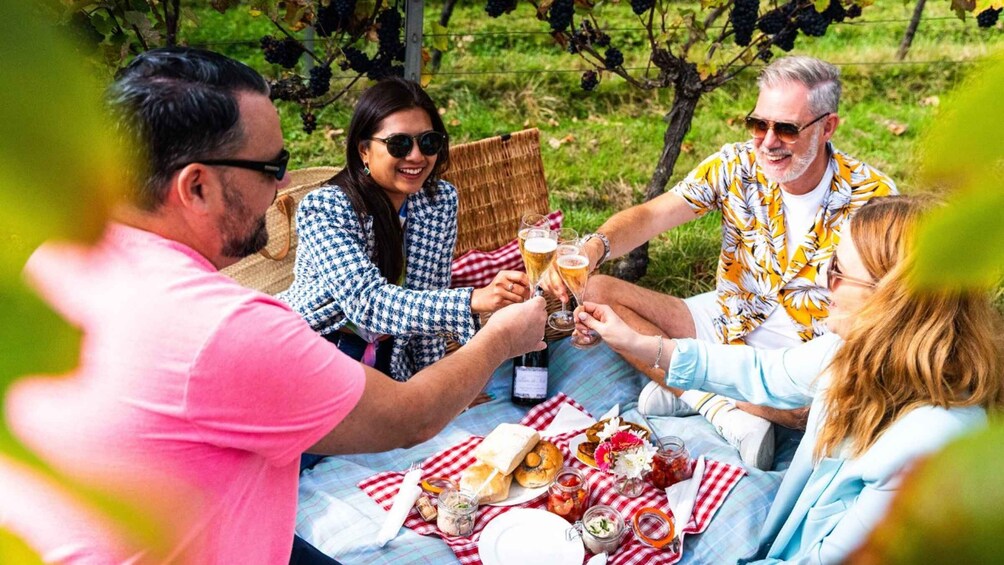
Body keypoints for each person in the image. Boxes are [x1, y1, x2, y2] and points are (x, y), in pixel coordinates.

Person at [3, 47, 547, 564]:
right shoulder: (229, 326)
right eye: (272, 164)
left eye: (429, 143)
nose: (287, 181)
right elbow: (408, 416)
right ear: (196, 188)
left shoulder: (54, 259)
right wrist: (498, 335)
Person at [576, 195, 1002, 563]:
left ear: (890, 301)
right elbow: (765, 372)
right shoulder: (861, 350)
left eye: (837, 270)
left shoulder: (928, 451)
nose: (822, 281)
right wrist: (641, 344)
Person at [549, 55, 897, 470]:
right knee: (597, 289)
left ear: (827, 127)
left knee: (817, 410)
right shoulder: (735, 164)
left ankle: (688, 387)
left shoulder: (873, 199)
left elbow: (887, 310)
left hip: (799, 358)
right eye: (758, 124)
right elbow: (651, 216)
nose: (768, 141)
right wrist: (592, 248)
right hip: (728, 320)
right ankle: (720, 407)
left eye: (786, 128)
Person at [280, 77, 529, 382]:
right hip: (314, 350)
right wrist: (473, 300)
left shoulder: (438, 202)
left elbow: (429, 302)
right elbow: (367, 302)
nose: (416, 156)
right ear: (364, 151)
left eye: (428, 142)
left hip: (390, 361)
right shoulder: (326, 208)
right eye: (399, 143)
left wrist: (438, 384)